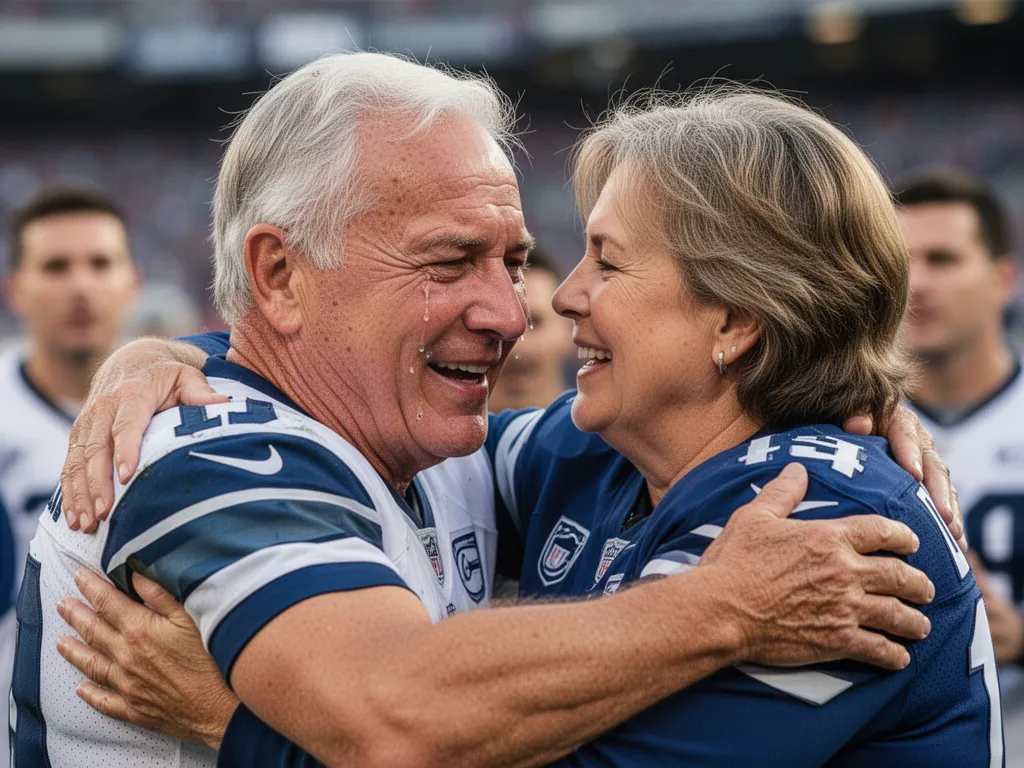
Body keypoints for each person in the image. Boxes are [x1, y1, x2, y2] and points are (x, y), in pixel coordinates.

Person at [47, 75, 965, 766]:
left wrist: (236, 728)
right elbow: (388, 705)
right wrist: (169, 355)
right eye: (451, 260)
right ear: (280, 275)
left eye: (590, 261)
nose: (531, 306)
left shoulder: (814, 523)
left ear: (737, 320)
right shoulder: (221, 453)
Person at [0, 187, 137, 766]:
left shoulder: (183, 414)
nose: (81, 285)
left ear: (131, 281)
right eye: (56, 266)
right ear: (16, 289)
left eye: (100, 264)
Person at [895, 167, 1022, 759]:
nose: (916, 283)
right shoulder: (842, 428)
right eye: (902, 262)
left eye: (942, 260)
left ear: (1004, 279)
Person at [489, 247, 574, 412]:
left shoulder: (608, 435)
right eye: (498, 325)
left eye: (534, 323)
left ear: (570, 329)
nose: (517, 349)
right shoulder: (431, 437)